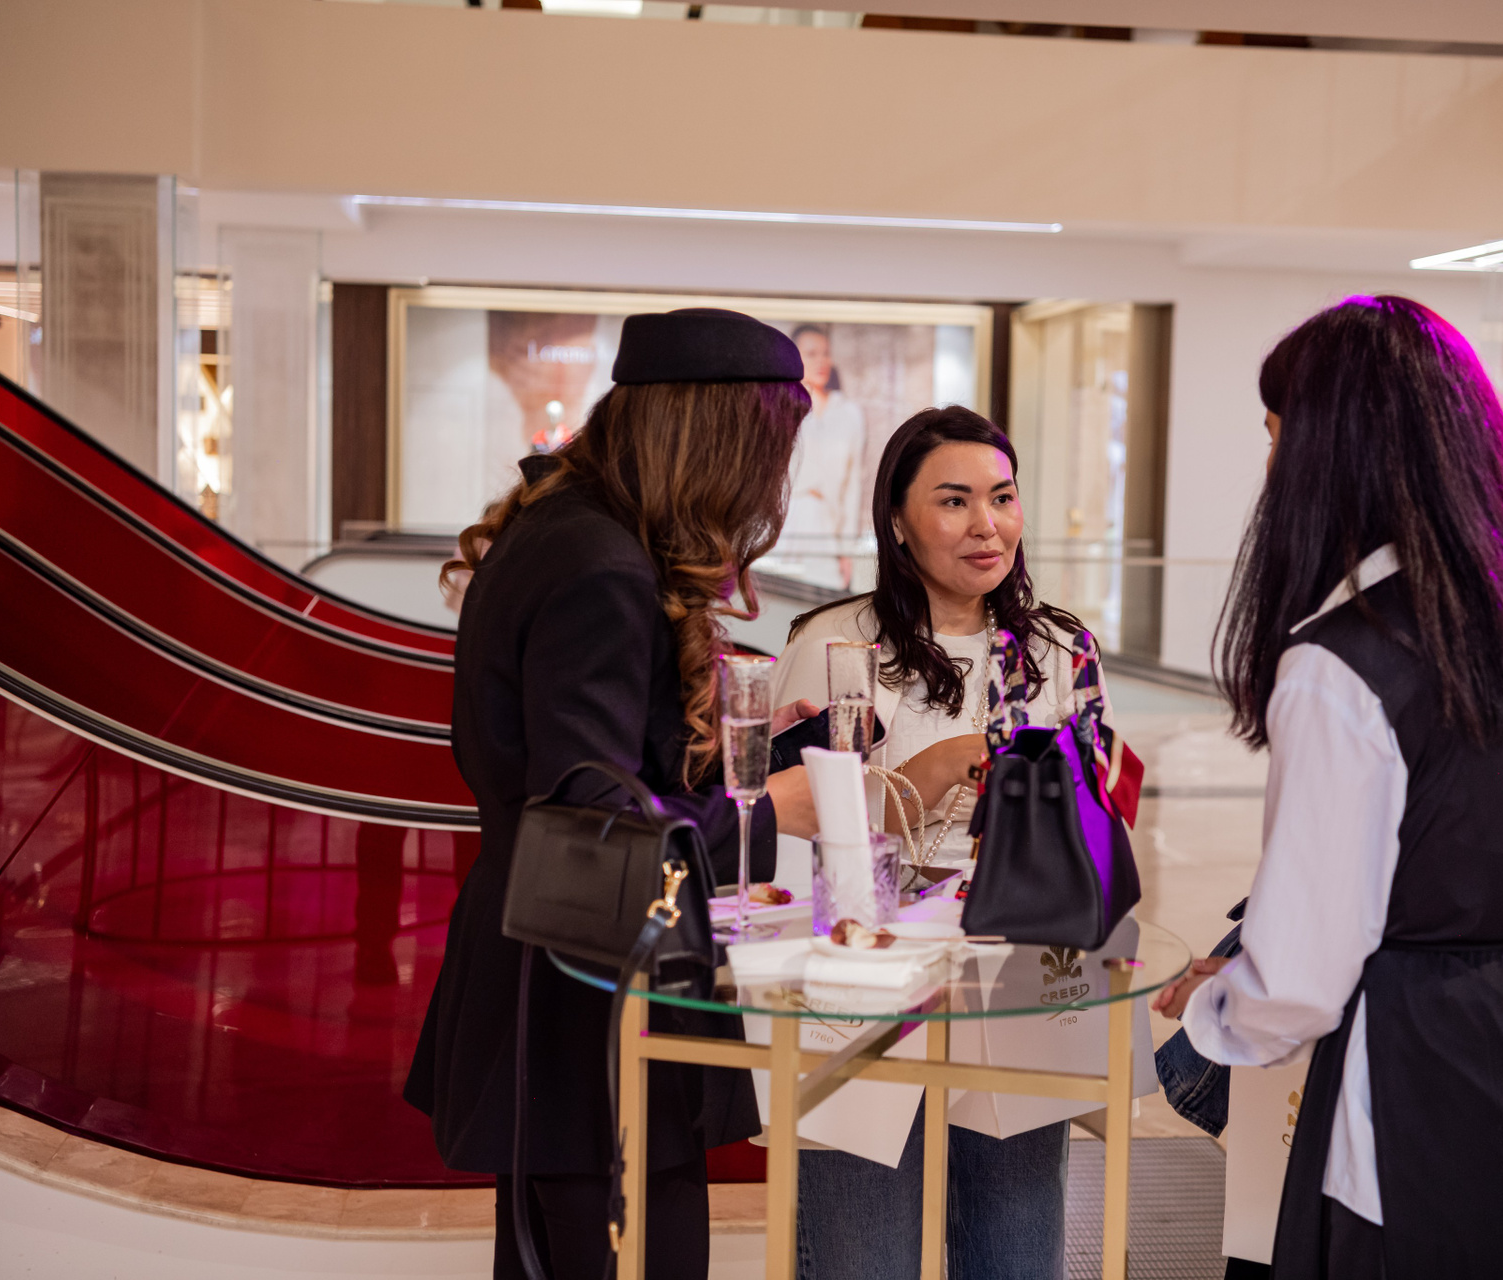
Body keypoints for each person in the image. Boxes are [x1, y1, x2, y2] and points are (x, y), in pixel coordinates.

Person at [1155, 296, 1503, 1278]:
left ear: (1333, 452)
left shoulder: (1343, 664)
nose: (1271, 467)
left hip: (1428, 1084)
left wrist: (1220, 1007)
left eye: (1277, 435)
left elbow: (1297, 987)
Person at [405, 308, 823, 1280]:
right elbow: (589, 831)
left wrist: (758, 752)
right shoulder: (603, 567)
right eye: (769, 453)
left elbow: (596, 768)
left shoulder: (567, 531)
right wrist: (772, 807)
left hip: (551, 976)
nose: (770, 485)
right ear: (719, 443)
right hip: (586, 1004)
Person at [770, 405, 1100, 1280]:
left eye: (1003, 497)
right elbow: (791, 829)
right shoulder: (835, 644)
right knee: (862, 1251)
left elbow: (1097, 823)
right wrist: (937, 768)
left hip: (1014, 974)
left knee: (1016, 1251)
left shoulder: (1057, 649)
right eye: (954, 501)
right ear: (897, 521)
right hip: (861, 985)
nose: (988, 525)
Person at [776, 323, 867, 589]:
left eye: (825, 353)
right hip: (785, 527)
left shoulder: (849, 414)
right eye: (811, 353)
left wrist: (847, 549)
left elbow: (853, 484)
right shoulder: (780, 408)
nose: (821, 361)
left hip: (827, 530)